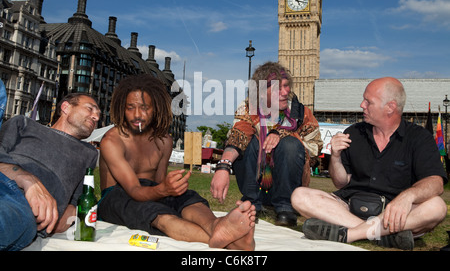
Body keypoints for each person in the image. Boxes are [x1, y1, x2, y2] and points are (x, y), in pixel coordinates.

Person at [98, 74, 256, 250]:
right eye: (130, 108)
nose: (137, 115)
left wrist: (171, 188)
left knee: (187, 198)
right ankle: (232, 244)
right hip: (116, 196)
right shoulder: (112, 141)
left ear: (155, 109)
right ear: (122, 108)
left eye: (144, 108)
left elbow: (157, 183)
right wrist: (163, 189)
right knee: (157, 214)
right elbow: (134, 190)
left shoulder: (164, 140)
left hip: (151, 191)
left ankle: (216, 227)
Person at [291, 77, 448, 250]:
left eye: (368, 101)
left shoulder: (419, 138)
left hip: (393, 213)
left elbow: (435, 182)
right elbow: (341, 182)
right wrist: (335, 157)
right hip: (349, 207)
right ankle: (382, 235)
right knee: (299, 196)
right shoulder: (353, 133)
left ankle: (351, 234)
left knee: (437, 207)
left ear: (390, 107)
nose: (361, 105)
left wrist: (407, 196)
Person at [210, 62, 323, 226]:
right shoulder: (249, 107)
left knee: (290, 145)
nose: (286, 92)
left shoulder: (301, 112)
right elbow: (238, 135)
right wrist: (223, 166)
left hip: (289, 189)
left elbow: (316, 147)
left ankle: (285, 208)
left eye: (286, 86)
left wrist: (283, 134)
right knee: (247, 142)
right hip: (257, 185)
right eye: (279, 89)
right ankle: (252, 204)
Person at [0, 93, 101, 251]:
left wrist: (71, 212)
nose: (95, 117)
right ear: (65, 107)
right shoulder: (23, 123)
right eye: (90, 109)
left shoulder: (88, 152)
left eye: (98, 115)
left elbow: (80, 199)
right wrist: (27, 180)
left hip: (24, 207)